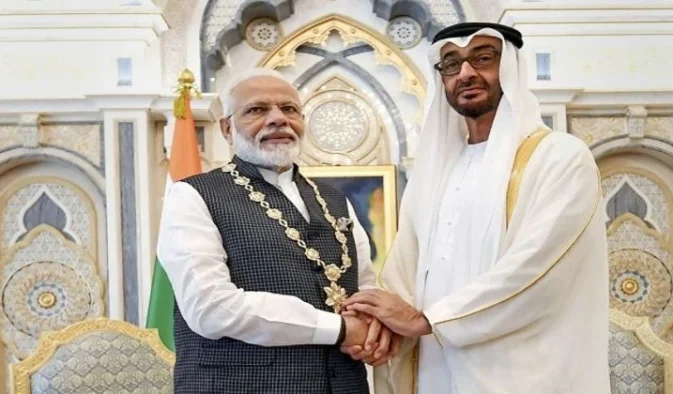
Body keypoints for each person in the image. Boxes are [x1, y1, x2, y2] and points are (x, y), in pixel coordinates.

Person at [341, 23, 611, 393]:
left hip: (521, 372)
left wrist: (429, 320)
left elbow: (537, 268)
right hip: (434, 370)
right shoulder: (437, 170)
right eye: (451, 64)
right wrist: (383, 325)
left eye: (483, 58)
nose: (466, 72)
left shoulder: (559, 158)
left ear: (511, 68)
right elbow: (404, 266)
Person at [156, 68, 398, 393]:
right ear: (227, 128)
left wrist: (373, 328)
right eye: (257, 110)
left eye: (289, 109)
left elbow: (363, 284)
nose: (277, 119)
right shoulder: (193, 195)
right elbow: (211, 308)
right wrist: (339, 329)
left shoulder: (334, 199)